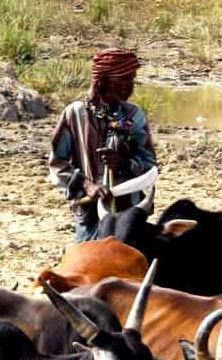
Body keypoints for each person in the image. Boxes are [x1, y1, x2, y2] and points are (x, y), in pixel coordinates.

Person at [49, 48, 158, 242]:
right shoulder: (74, 114)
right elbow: (57, 163)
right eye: (124, 79)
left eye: (132, 79)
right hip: (89, 214)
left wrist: (125, 163)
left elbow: (150, 164)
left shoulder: (134, 116)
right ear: (103, 81)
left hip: (129, 214)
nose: (130, 86)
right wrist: (86, 184)